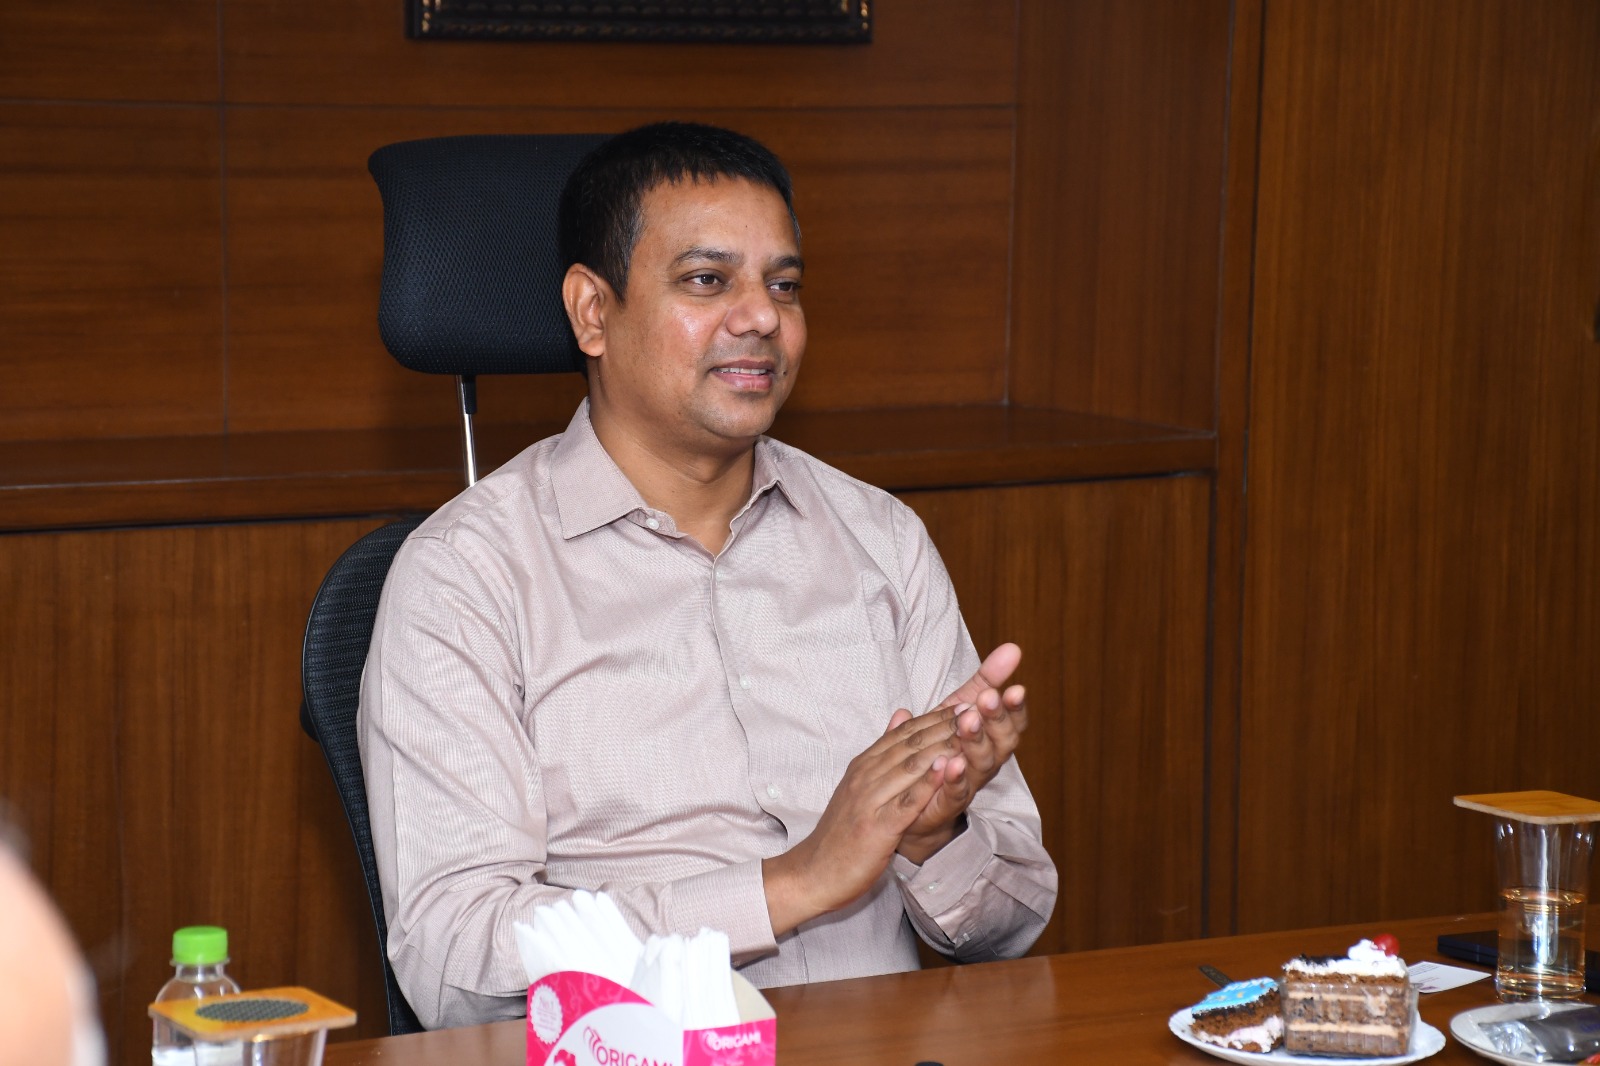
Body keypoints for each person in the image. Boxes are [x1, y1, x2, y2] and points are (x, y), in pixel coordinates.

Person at [358, 121, 1058, 1030]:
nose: (762, 317)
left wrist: (936, 836)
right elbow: (453, 964)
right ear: (592, 311)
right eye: (707, 280)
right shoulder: (465, 579)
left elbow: (1011, 925)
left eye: (784, 285)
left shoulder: (880, 540)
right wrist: (790, 884)